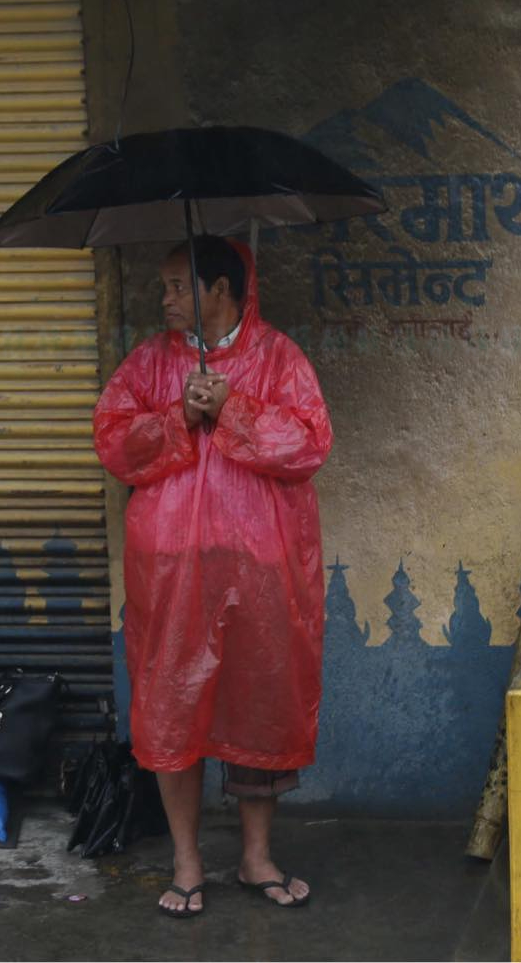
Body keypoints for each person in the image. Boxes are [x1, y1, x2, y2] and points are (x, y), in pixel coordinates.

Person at [94, 235, 332, 917]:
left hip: (261, 570)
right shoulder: (147, 363)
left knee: (257, 702)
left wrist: (232, 407)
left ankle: (256, 856)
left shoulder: (279, 358)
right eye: (164, 286)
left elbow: (310, 441)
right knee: (174, 704)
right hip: (171, 571)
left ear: (222, 289)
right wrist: (180, 415)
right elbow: (113, 438)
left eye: (177, 286)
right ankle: (188, 860)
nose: (164, 298)